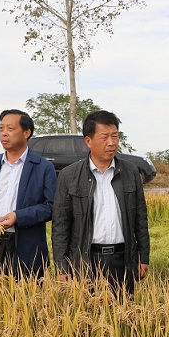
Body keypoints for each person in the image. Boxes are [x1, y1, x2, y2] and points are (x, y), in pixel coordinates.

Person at [52, 110, 150, 296]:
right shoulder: (69, 176)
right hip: (86, 260)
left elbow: (140, 219)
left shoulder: (130, 173)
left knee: (124, 311)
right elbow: (61, 225)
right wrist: (62, 265)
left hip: (123, 259)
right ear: (88, 141)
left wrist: (143, 256)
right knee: (88, 311)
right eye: (104, 137)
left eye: (115, 136)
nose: (111, 142)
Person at [0, 109, 56, 280]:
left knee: (27, 294)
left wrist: (18, 216)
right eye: (1, 129)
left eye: (10, 129)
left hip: (27, 247)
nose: (4, 133)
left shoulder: (43, 167)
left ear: (26, 133)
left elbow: (51, 206)